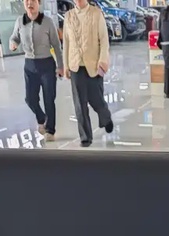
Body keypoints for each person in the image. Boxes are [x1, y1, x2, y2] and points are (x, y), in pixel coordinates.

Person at [62, 0, 114, 147]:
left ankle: (105, 117)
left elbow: (104, 40)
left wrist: (103, 61)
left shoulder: (96, 14)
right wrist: (66, 66)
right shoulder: (68, 16)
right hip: (75, 66)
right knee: (80, 104)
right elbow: (66, 43)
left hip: (94, 65)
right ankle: (85, 137)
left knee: (96, 100)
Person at [10, 0, 64, 142]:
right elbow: (14, 37)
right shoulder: (20, 21)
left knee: (49, 99)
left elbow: (56, 46)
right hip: (29, 66)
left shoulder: (48, 22)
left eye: (33, 0)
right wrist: (13, 43)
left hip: (47, 65)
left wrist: (60, 66)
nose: (29, 3)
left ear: (38, 3)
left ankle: (50, 130)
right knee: (30, 99)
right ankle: (42, 118)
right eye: (26, 1)